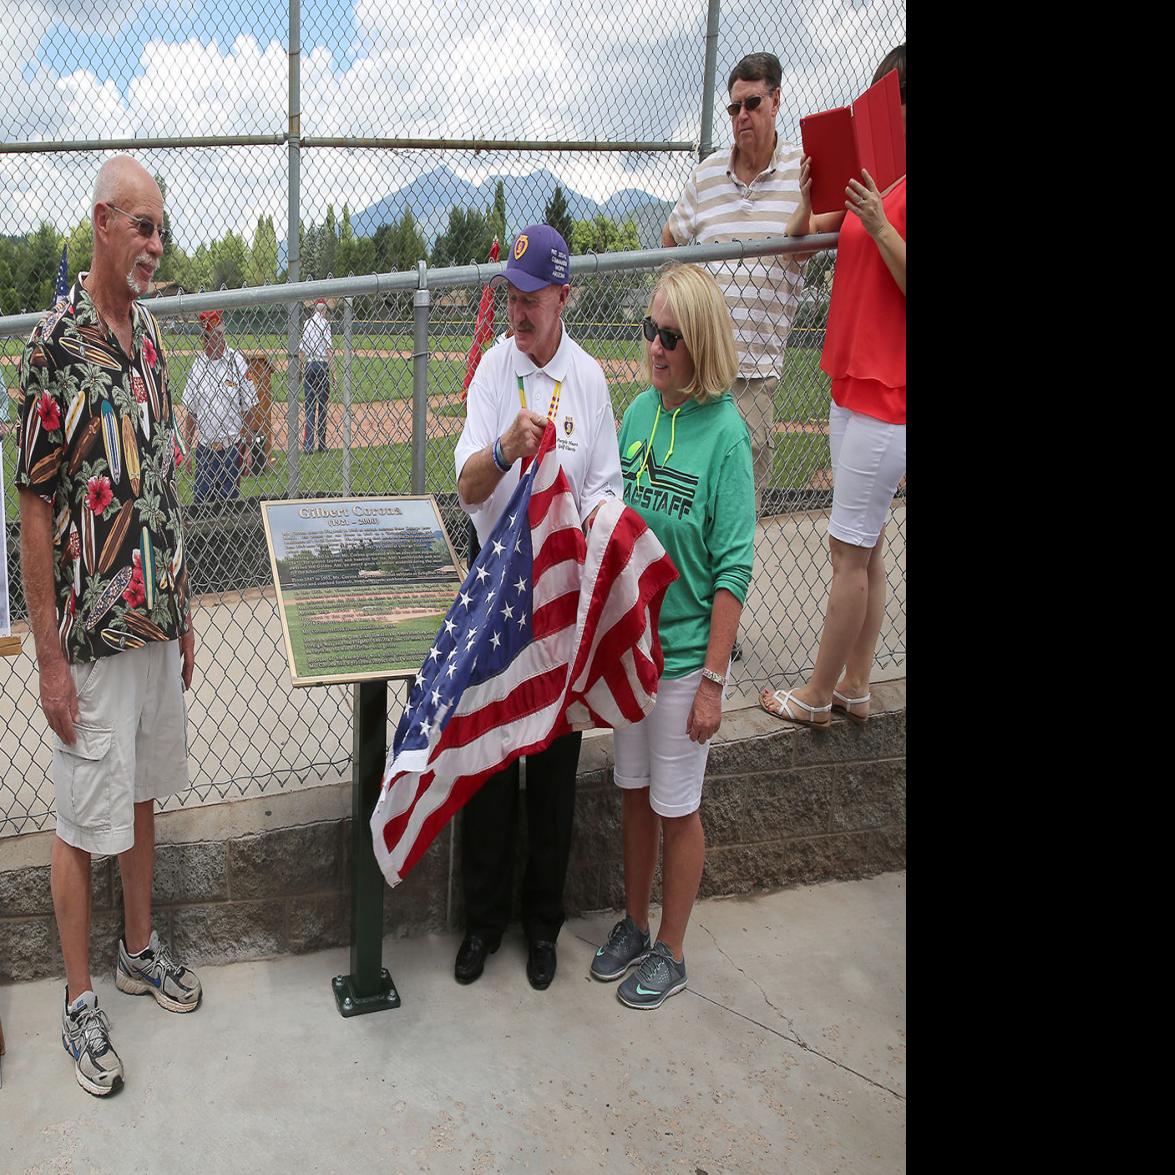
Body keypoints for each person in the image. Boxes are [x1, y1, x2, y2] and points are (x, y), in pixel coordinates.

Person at [15, 155, 201, 1099]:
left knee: (140, 796)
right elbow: (35, 509)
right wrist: (47, 654)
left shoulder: (153, 340)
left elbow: (163, 483)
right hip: (88, 636)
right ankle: (80, 998)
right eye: (142, 227)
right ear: (100, 223)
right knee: (81, 816)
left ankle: (139, 949)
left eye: (161, 228)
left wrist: (187, 604)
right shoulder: (53, 346)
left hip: (156, 623)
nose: (155, 245)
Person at [452, 223, 622, 991]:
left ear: (563, 295)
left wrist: (589, 523)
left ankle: (541, 924)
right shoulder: (493, 371)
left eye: (530, 297)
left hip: (560, 607)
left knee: (552, 773)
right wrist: (504, 451)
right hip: (495, 597)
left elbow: (606, 488)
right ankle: (481, 923)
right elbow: (465, 484)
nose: (517, 309)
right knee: (489, 763)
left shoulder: (588, 379)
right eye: (510, 295)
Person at [589, 264, 754, 1009]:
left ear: (702, 342)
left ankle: (673, 948)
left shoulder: (725, 436)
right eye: (648, 331)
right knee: (632, 793)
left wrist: (714, 680)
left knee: (675, 804)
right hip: (634, 651)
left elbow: (732, 565)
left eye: (670, 336)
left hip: (686, 658)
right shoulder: (634, 416)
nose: (655, 346)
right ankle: (631, 919)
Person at [760, 44, 906, 728]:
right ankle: (854, 683)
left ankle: (816, 695)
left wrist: (878, 222)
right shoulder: (878, 176)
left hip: (886, 394)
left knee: (847, 552)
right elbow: (797, 242)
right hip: (849, 382)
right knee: (865, 547)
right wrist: (806, 194)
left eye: (887, 97)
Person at [662, 51, 804, 516]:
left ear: (776, 99)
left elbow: (808, 247)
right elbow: (670, 240)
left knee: (736, 514)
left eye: (753, 103)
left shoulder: (801, 173)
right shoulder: (707, 176)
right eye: (734, 107)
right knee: (685, 497)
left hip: (753, 374)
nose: (742, 116)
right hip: (697, 364)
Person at [181, 310, 258, 501]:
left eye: (208, 338)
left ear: (220, 336)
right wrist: (188, 448)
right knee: (201, 505)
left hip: (231, 449)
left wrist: (248, 447)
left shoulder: (237, 362)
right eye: (203, 338)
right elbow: (191, 413)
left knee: (229, 507)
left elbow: (248, 407)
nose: (204, 343)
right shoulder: (198, 366)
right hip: (205, 450)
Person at [299, 297, 333, 453]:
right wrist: (333, 373)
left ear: (314, 309)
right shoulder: (325, 324)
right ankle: (322, 444)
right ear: (324, 310)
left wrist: (301, 369)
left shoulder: (307, 324)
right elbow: (328, 350)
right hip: (322, 365)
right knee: (323, 407)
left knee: (310, 406)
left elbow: (301, 350)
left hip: (310, 365)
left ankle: (308, 445)